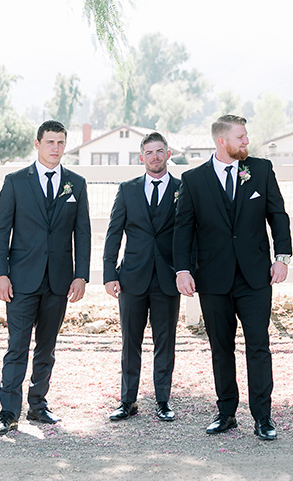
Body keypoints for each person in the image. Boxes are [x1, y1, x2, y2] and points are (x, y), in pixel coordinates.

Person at [173, 115, 291, 441]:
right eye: (241, 137)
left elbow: (278, 215)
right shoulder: (193, 180)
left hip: (255, 278)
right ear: (222, 141)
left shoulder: (262, 170)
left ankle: (263, 418)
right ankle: (226, 412)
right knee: (220, 348)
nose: (246, 142)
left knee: (259, 347)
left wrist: (282, 258)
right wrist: (182, 270)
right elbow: (183, 229)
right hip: (213, 280)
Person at [0, 120, 90, 436]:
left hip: (58, 281)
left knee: (47, 347)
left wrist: (81, 276)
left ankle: (38, 405)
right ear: (37, 144)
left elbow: (82, 232)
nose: (55, 148)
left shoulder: (77, 183)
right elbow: (0, 229)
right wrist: (0, 273)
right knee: (17, 346)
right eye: (50, 142)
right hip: (21, 280)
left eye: (60, 142)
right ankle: (8, 412)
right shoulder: (16, 182)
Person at [103, 132, 182, 422]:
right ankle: (128, 400)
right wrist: (109, 274)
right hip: (132, 279)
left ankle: (162, 400)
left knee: (166, 341)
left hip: (167, 279)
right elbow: (113, 234)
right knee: (130, 341)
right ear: (141, 158)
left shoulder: (181, 189)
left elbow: (190, 234)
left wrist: (188, 271)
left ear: (168, 154)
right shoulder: (127, 190)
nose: (155, 157)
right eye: (149, 153)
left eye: (160, 151)